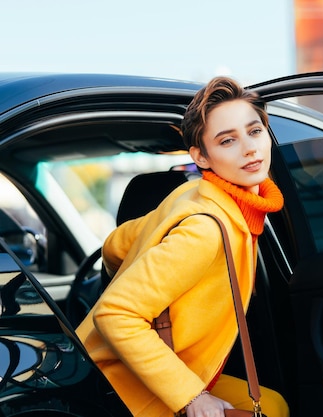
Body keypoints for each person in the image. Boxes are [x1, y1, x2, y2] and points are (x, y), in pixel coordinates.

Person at [76, 76, 288, 417]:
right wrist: (192, 397)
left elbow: (116, 244)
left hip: (141, 367)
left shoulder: (192, 194)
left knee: (273, 405)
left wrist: (156, 292)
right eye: (227, 140)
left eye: (254, 131)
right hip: (117, 388)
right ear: (201, 157)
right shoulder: (205, 231)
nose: (250, 148)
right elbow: (114, 313)